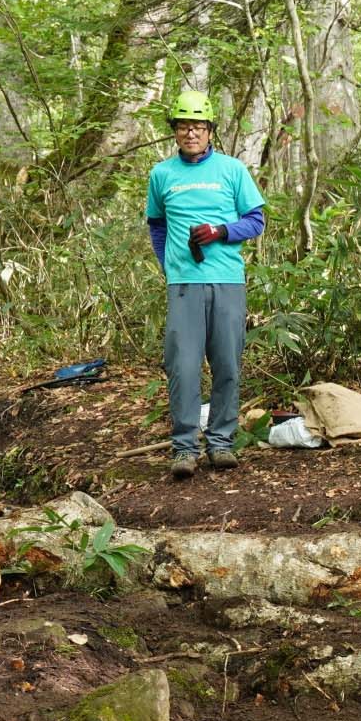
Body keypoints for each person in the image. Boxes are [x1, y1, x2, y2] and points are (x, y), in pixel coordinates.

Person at [144, 90, 267, 480]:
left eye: (197, 126)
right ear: (175, 132)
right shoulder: (162, 174)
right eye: (183, 126)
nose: (190, 133)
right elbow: (157, 224)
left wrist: (220, 231)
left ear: (210, 130)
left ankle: (221, 442)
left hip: (227, 279)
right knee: (182, 365)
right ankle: (184, 448)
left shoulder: (232, 170)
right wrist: (168, 265)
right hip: (184, 284)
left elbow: (257, 221)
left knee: (227, 363)